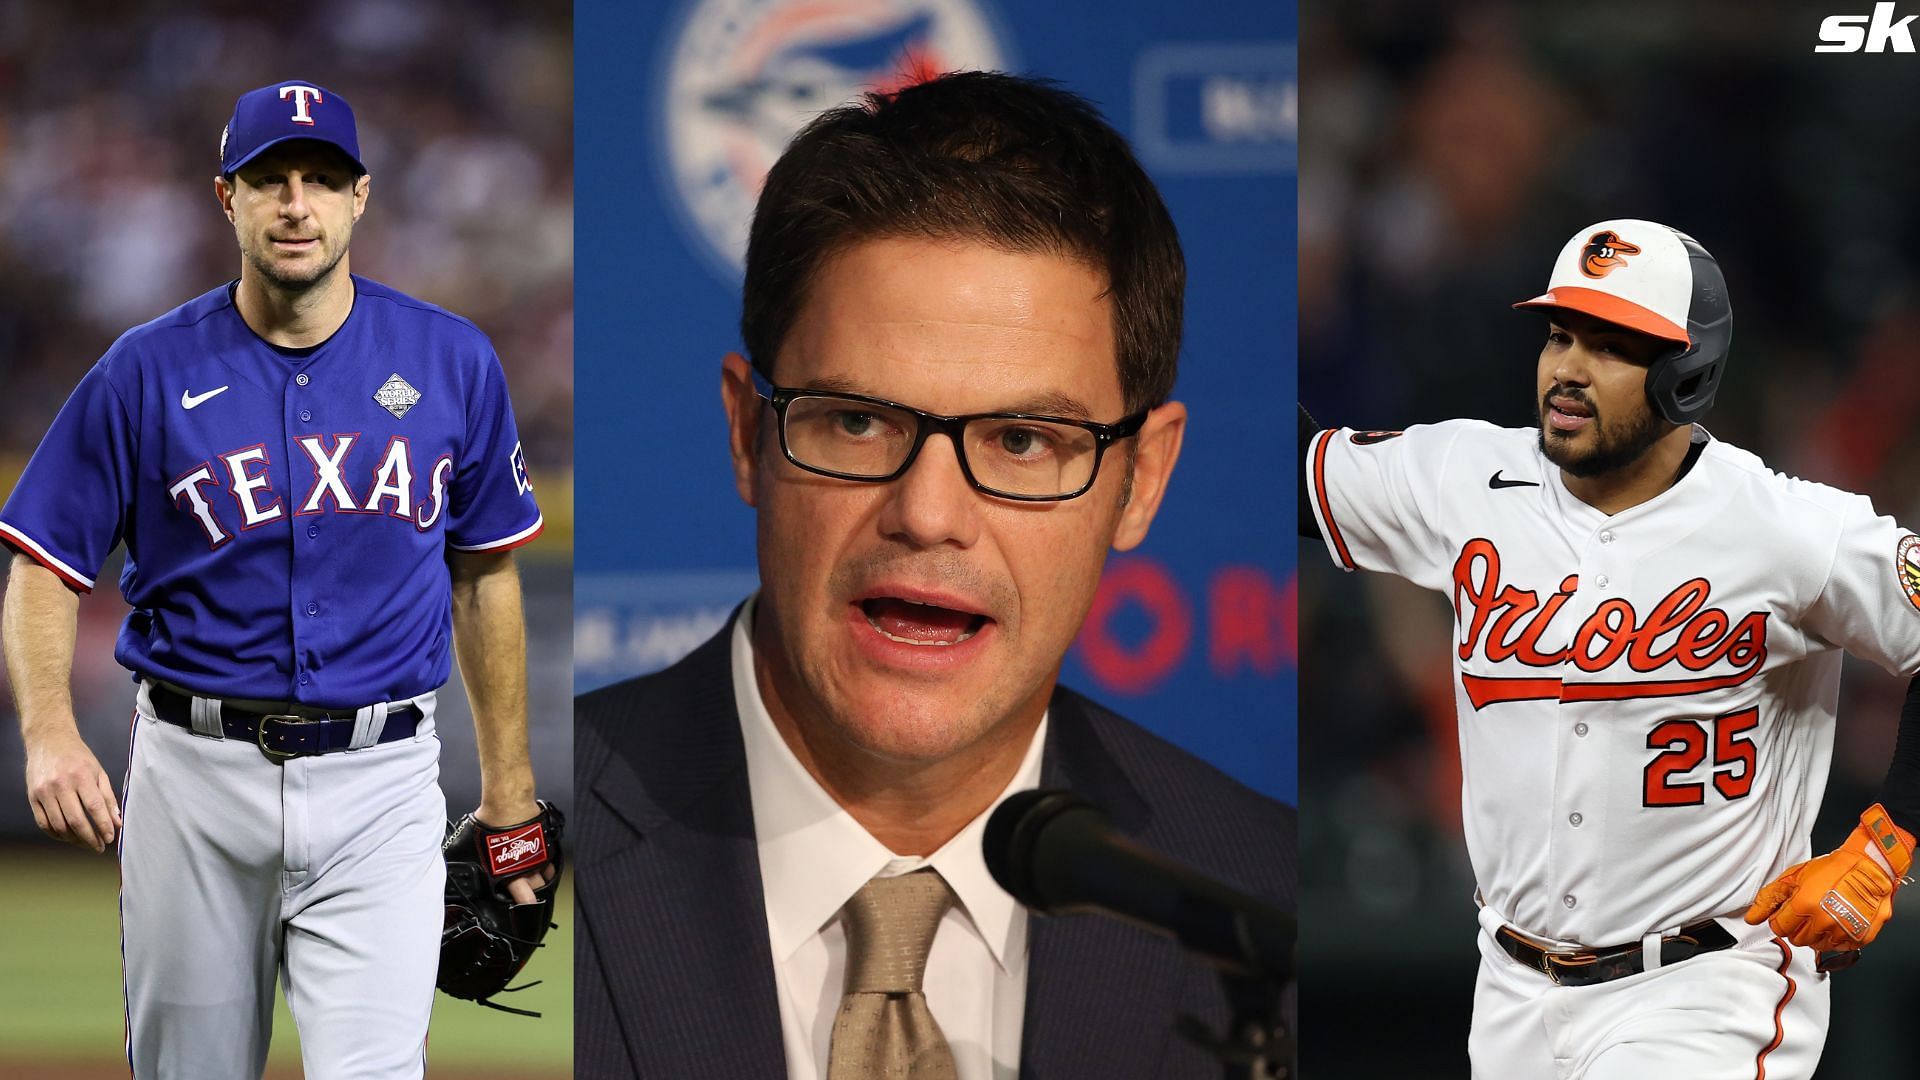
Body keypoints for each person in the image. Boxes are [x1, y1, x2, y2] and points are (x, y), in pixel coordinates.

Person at [575, 71, 1295, 1078]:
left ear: (1142, 480)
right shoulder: (534, 844)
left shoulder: (1262, 910)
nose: (927, 514)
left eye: (1022, 440)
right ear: (747, 433)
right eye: (858, 421)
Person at [0, 80, 553, 1079]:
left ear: (361, 199)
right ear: (228, 200)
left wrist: (509, 791)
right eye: (270, 181)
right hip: (194, 777)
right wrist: (47, 734)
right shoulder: (144, 371)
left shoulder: (451, 361)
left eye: (321, 179)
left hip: (382, 781)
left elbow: (485, 576)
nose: (296, 203)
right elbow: (44, 565)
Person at [1300, 218, 1920, 1079]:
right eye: (1561, 335)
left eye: (1612, 346)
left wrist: (1886, 843)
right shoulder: (1464, 476)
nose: (1568, 368)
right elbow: (1292, 469)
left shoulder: (1786, 529)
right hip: (1512, 992)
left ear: (1686, 373)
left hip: (1705, 987)